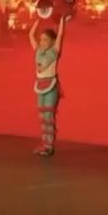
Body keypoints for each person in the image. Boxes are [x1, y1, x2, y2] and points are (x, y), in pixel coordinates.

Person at [29, 16, 68, 157]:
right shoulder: (38, 51)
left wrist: (62, 19)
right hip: (40, 85)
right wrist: (38, 19)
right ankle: (44, 144)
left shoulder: (54, 51)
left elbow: (61, 35)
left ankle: (49, 146)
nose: (42, 42)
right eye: (41, 39)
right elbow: (30, 35)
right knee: (42, 116)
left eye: (45, 39)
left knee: (48, 116)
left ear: (52, 41)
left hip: (51, 85)